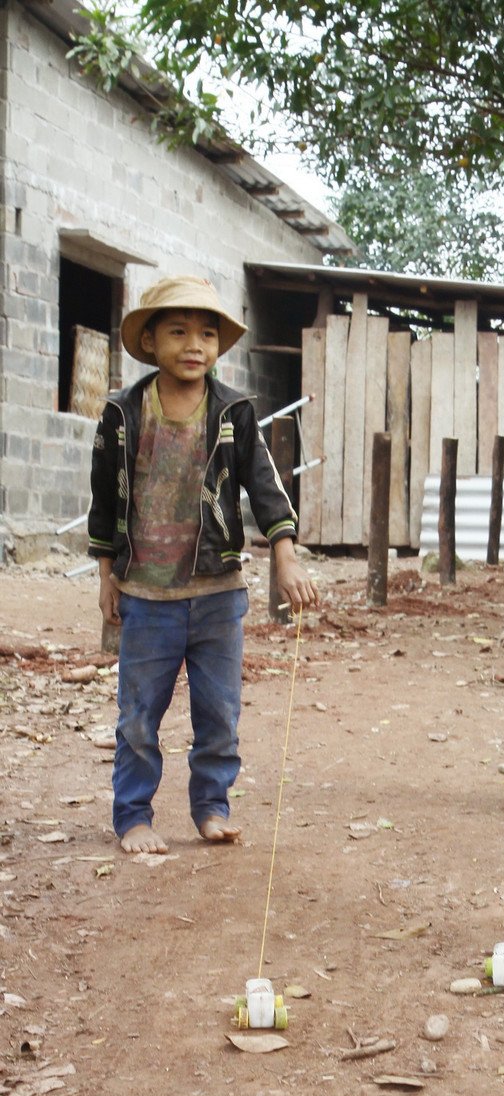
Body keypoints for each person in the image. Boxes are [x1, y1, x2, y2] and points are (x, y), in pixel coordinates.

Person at [87, 274, 319, 855]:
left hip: (218, 592)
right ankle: (133, 816)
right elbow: (103, 500)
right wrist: (105, 577)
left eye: (207, 333)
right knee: (139, 718)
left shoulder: (233, 411)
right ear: (150, 341)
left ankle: (211, 807)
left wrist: (285, 557)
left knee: (220, 713)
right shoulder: (123, 412)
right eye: (179, 331)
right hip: (146, 595)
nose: (195, 344)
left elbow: (266, 488)